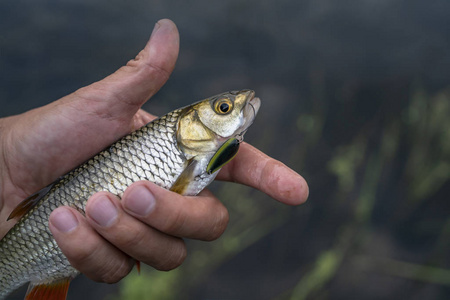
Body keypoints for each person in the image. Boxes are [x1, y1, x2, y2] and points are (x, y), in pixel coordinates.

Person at [0, 19, 308, 283]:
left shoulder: (203, 150)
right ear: (190, 127)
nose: (233, 107)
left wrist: (6, 164)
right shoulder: (192, 153)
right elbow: (182, 187)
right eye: (223, 108)